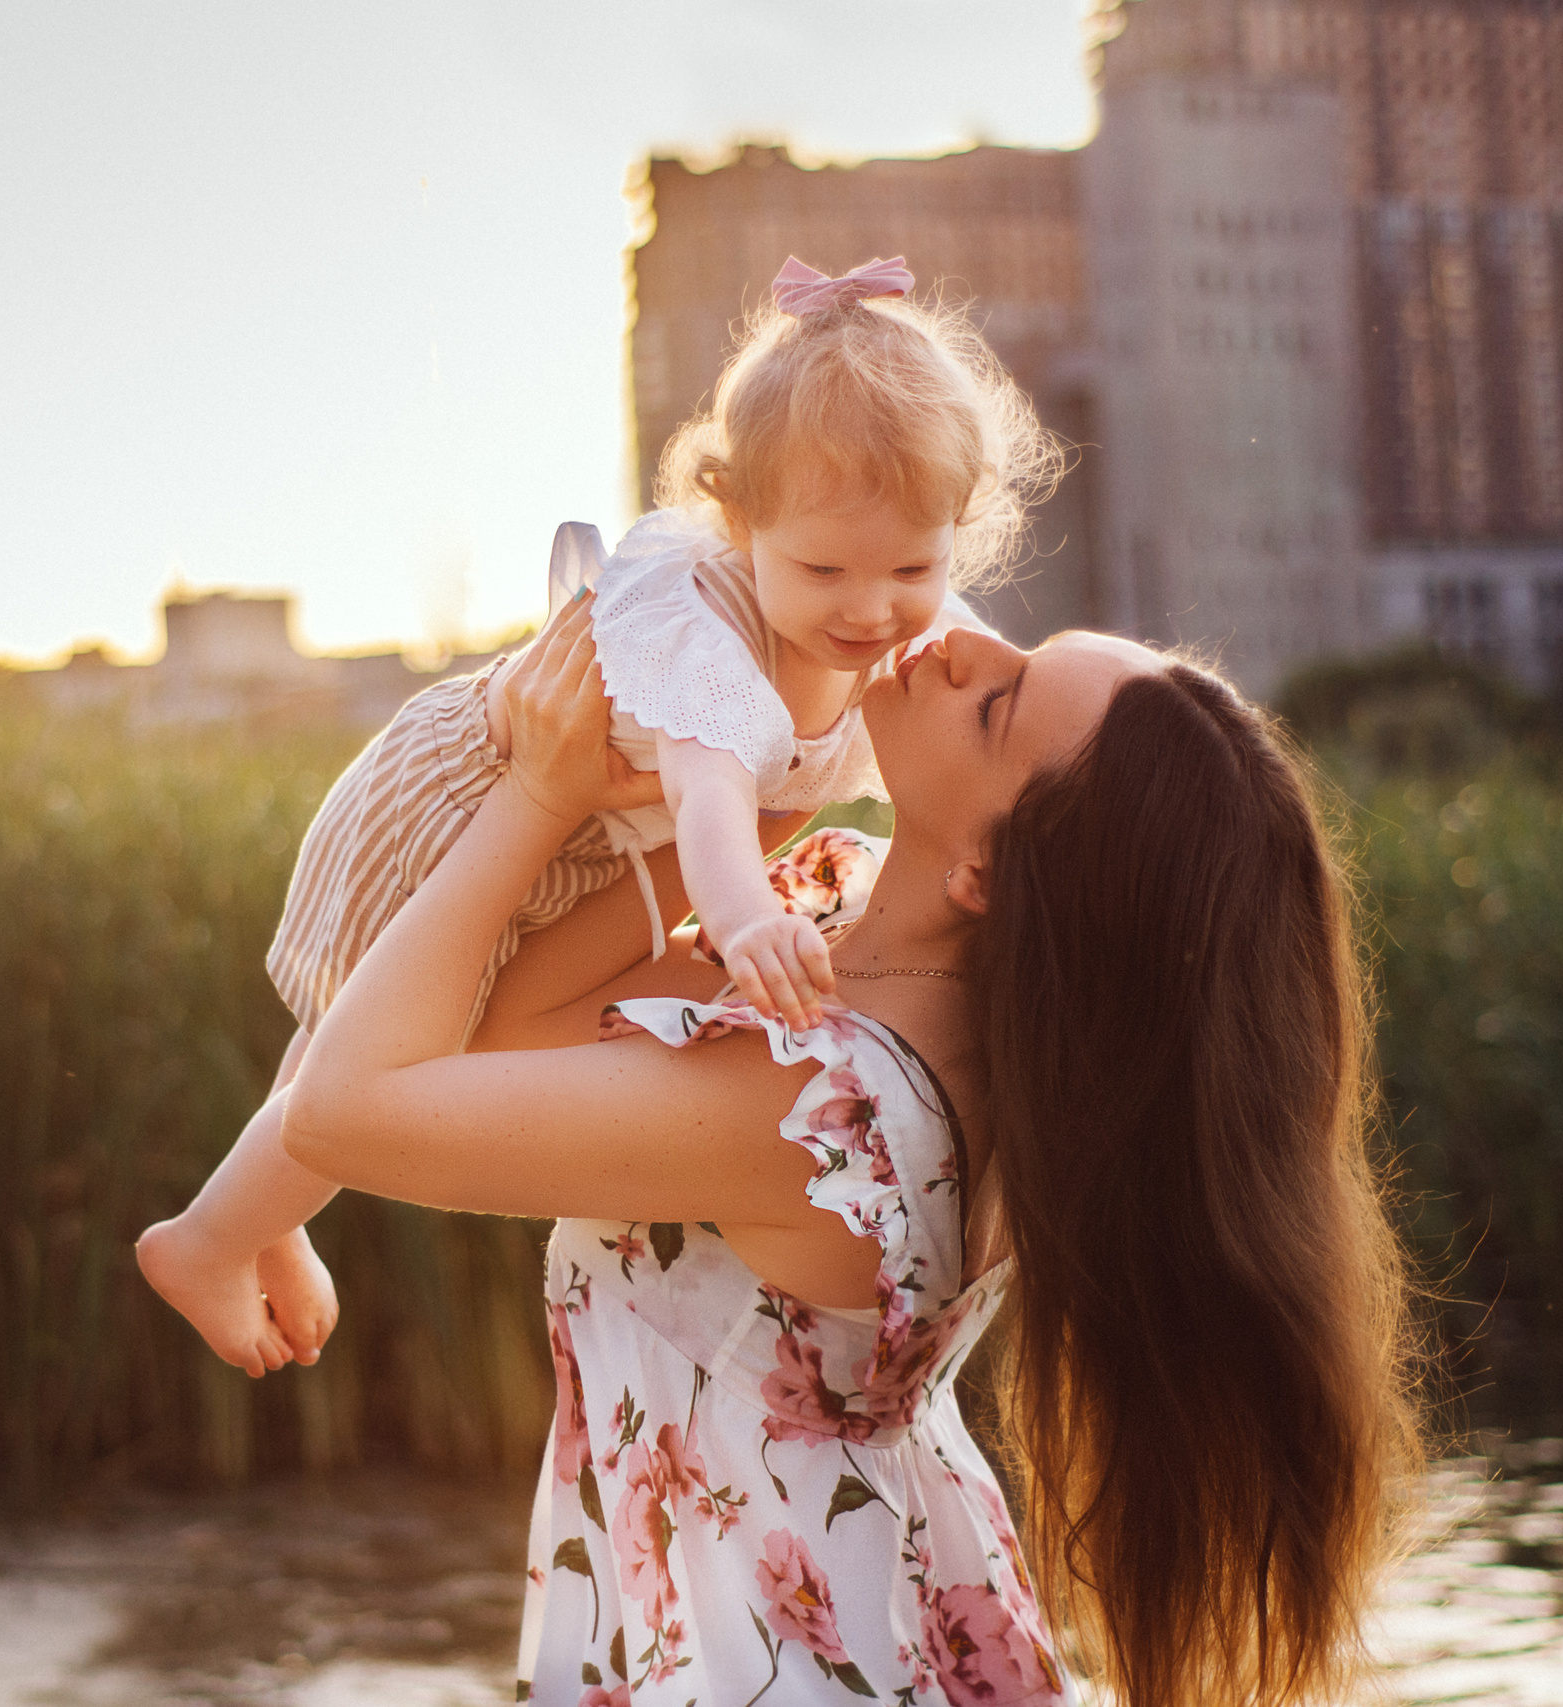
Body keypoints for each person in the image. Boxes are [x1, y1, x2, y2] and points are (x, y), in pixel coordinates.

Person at [283, 598, 1423, 1704]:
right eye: (1019, 645)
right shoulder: (885, 966)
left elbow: (339, 1112)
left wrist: (537, 793)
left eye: (999, 702)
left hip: (760, 1653)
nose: (959, 643)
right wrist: (730, 787)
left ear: (985, 871)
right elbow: (521, 1027)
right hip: (881, 1605)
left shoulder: (820, 1109)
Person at [139, 255, 1059, 1378]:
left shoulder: (917, 629)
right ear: (736, 521)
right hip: (478, 791)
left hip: (592, 837)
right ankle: (212, 1234)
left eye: (911, 566)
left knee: (365, 1041)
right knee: (374, 1031)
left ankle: (248, 1217)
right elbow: (717, 811)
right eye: (822, 570)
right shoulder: (708, 646)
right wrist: (743, 918)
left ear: (955, 532)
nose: (870, 609)